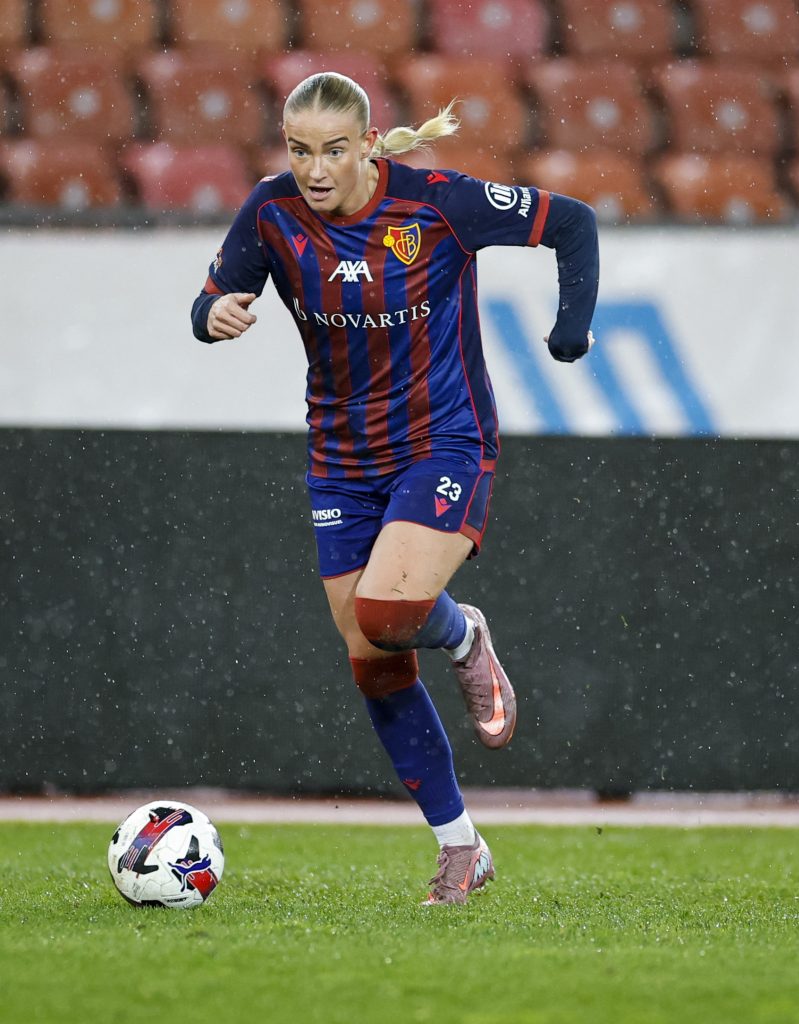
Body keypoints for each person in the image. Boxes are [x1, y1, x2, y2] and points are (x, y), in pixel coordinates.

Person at [191, 72, 598, 905]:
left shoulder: (437, 203)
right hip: (340, 458)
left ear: (369, 145)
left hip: (441, 440)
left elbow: (573, 222)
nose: (314, 169)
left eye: (333, 150)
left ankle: (463, 636)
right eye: (299, 150)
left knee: (386, 615)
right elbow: (210, 296)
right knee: (371, 664)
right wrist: (212, 317)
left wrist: (570, 329)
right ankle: (461, 847)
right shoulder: (271, 211)